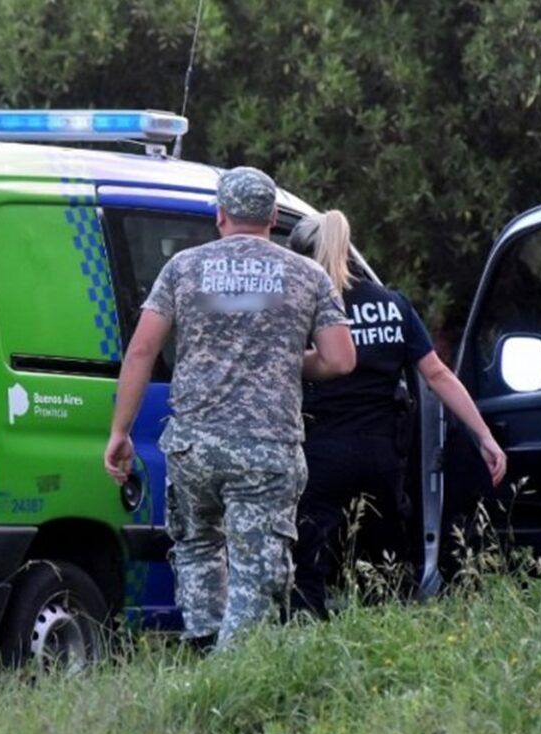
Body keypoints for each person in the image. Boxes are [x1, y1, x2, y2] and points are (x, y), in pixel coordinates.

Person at [103, 167, 356, 651]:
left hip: (194, 446)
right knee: (254, 571)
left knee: (197, 548)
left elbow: (140, 351)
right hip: (267, 450)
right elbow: (340, 359)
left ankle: (204, 652)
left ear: (220, 215)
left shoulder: (182, 268)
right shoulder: (308, 274)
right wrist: (284, 358)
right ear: (275, 217)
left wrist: (121, 431)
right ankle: (235, 672)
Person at [288, 211, 506, 618]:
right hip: (382, 457)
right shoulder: (393, 305)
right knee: (385, 556)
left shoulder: (306, 308)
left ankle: (307, 636)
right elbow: (438, 375)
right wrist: (484, 436)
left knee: (308, 557)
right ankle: (387, 631)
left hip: (322, 453)